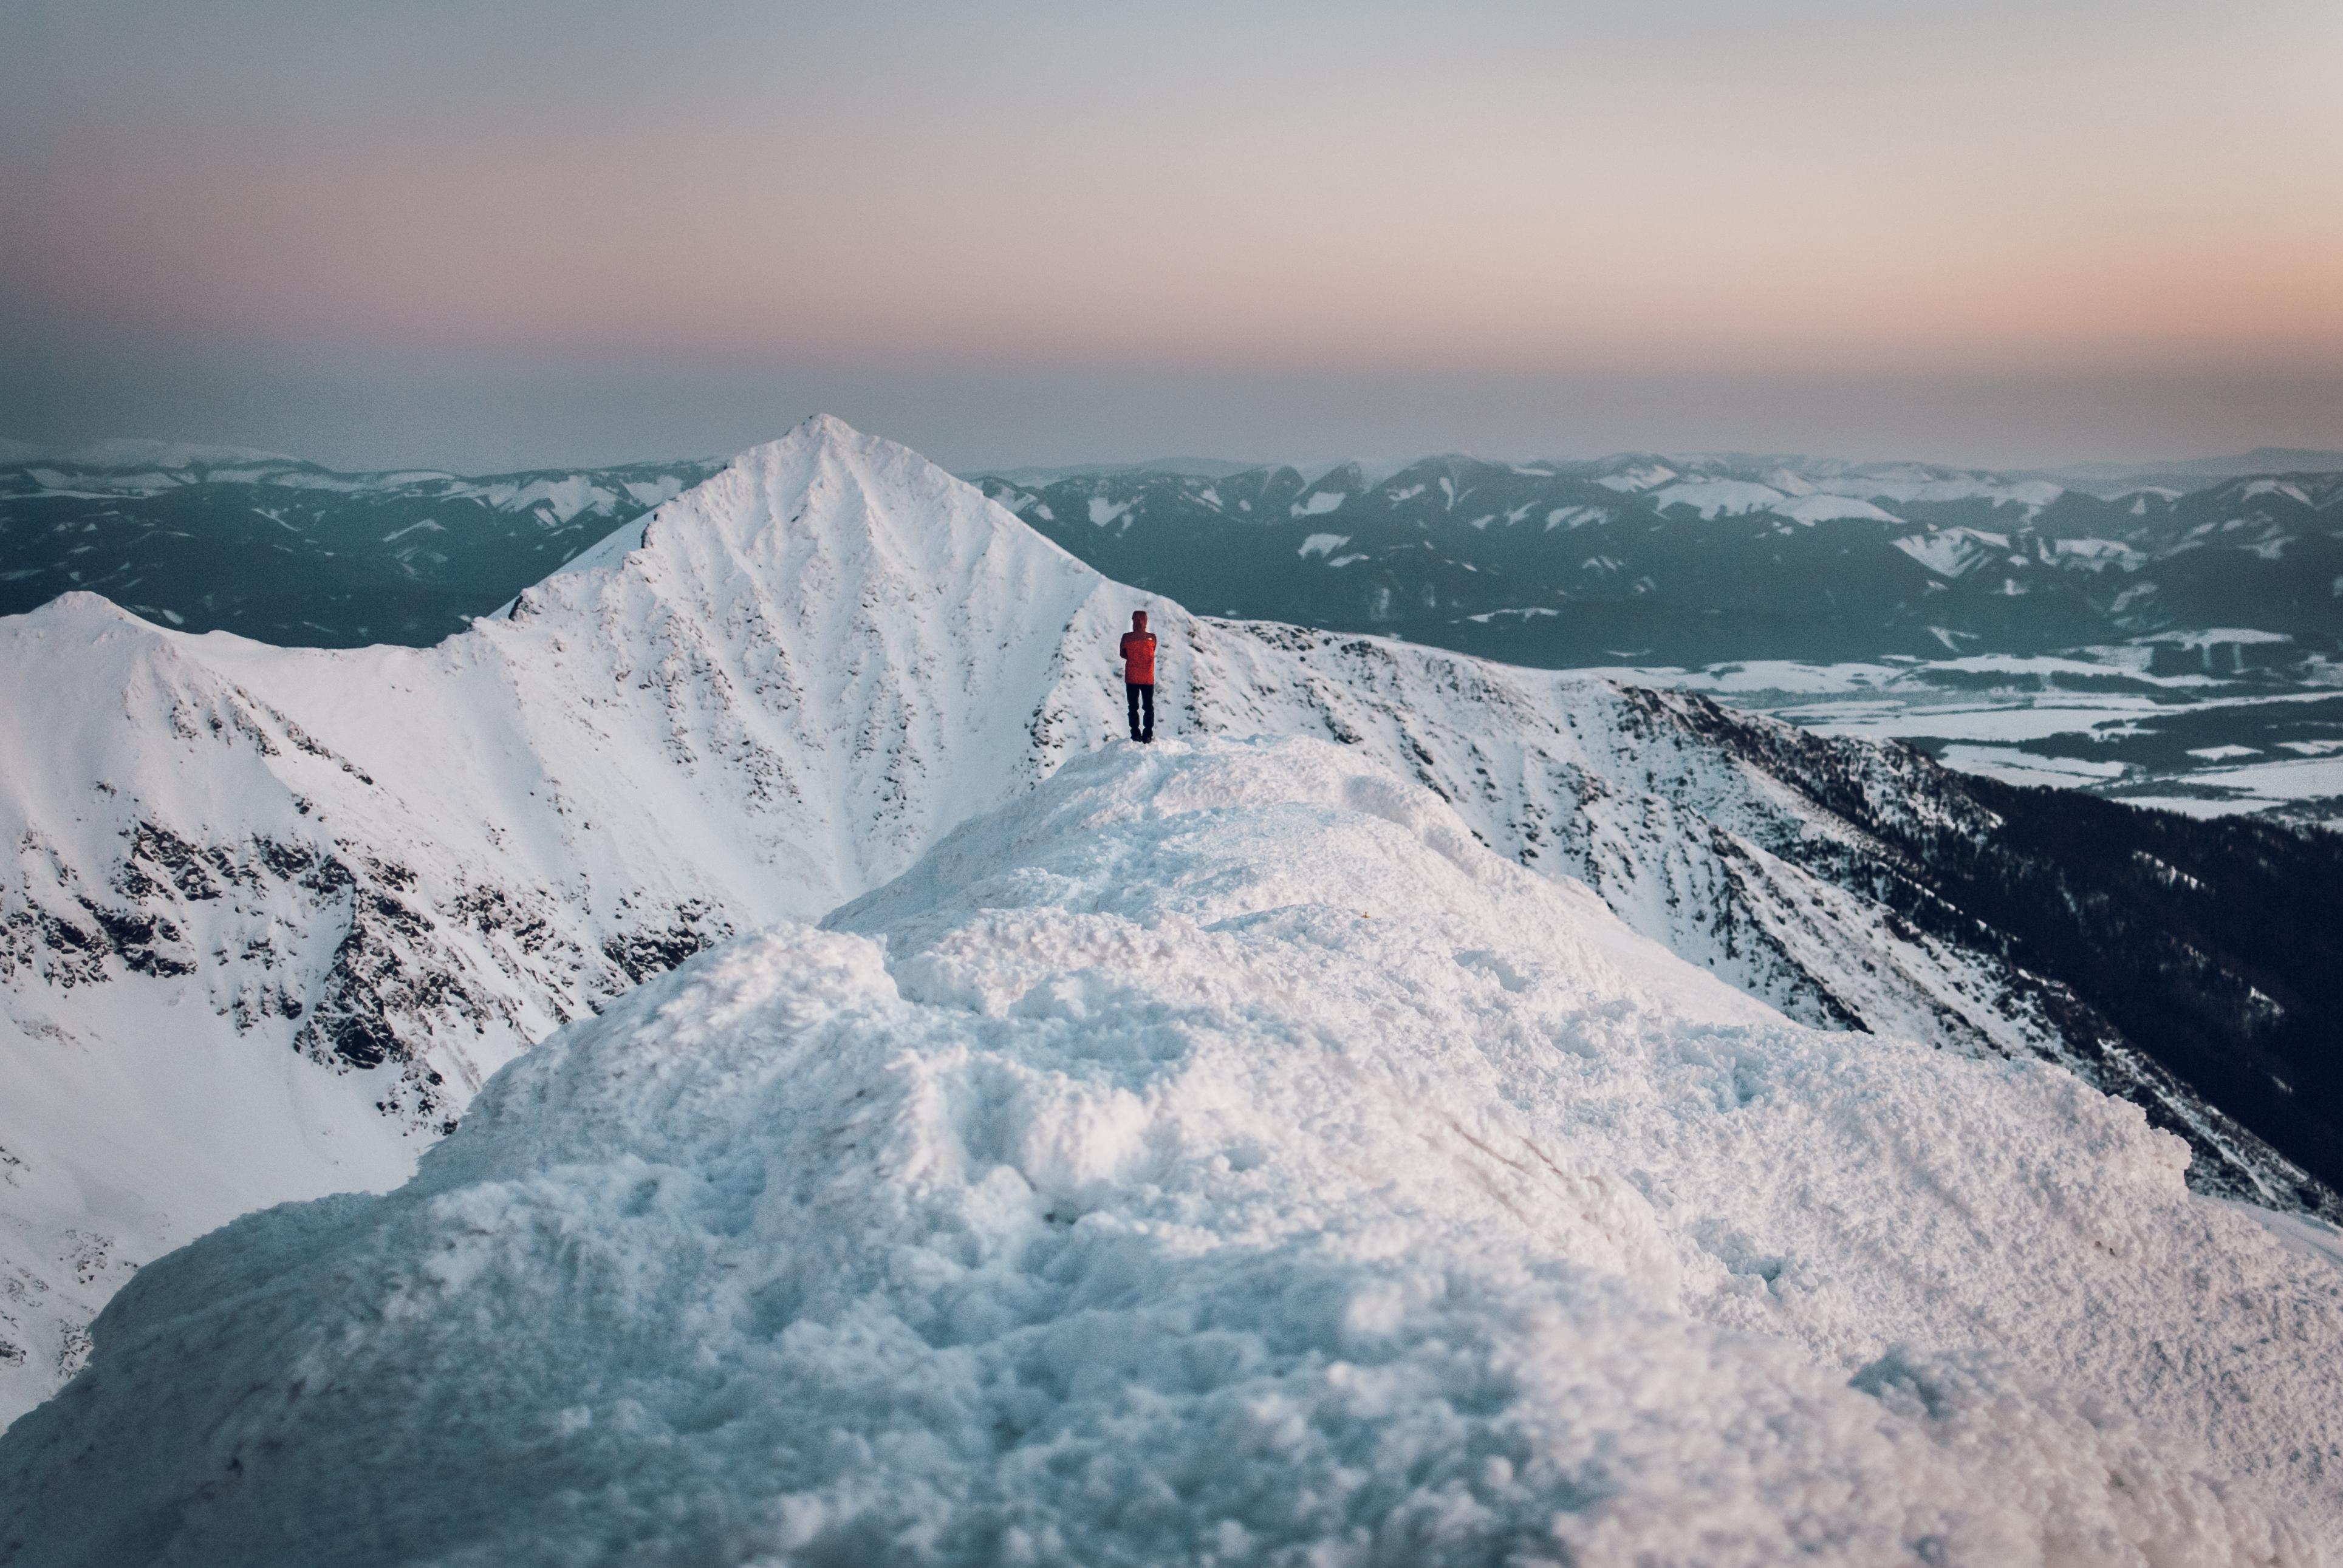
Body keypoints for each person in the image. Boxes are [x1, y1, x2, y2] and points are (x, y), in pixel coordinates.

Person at [1118, 610, 1157, 743]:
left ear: (1133, 621)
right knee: (1148, 706)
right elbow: (1153, 650)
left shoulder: (1126, 638)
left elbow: (1123, 654)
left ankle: (1135, 734)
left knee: (1133, 707)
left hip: (1132, 677)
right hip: (1148, 678)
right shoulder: (1152, 638)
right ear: (1145, 621)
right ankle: (1148, 734)